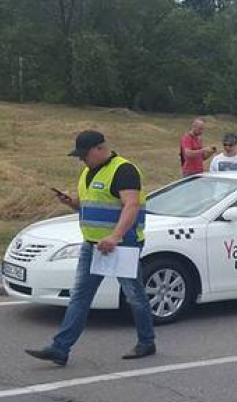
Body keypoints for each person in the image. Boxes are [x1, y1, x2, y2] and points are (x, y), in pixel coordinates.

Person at [25, 131, 157, 366]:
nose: (81, 160)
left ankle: (147, 341)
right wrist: (72, 203)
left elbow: (132, 205)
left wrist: (115, 236)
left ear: (99, 149)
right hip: (93, 245)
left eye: (84, 155)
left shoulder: (124, 170)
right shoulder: (88, 171)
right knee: (80, 297)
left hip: (122, 245)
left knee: (134, 295)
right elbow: (93, 205)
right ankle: (60, 348)